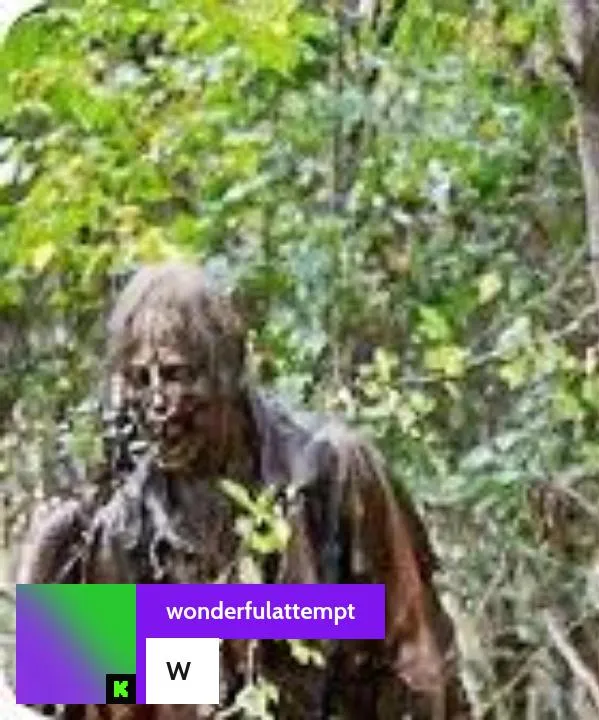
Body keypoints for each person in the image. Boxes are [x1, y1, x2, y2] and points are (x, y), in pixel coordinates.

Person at [15, 261, 470, 719]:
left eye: (175, 375)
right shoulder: (129, 525)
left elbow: (412, 649)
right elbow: (127, 691)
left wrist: (196, 616)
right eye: (139, 380)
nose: (157, 404)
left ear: (226, 374)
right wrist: (69, 630)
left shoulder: (330, 470)